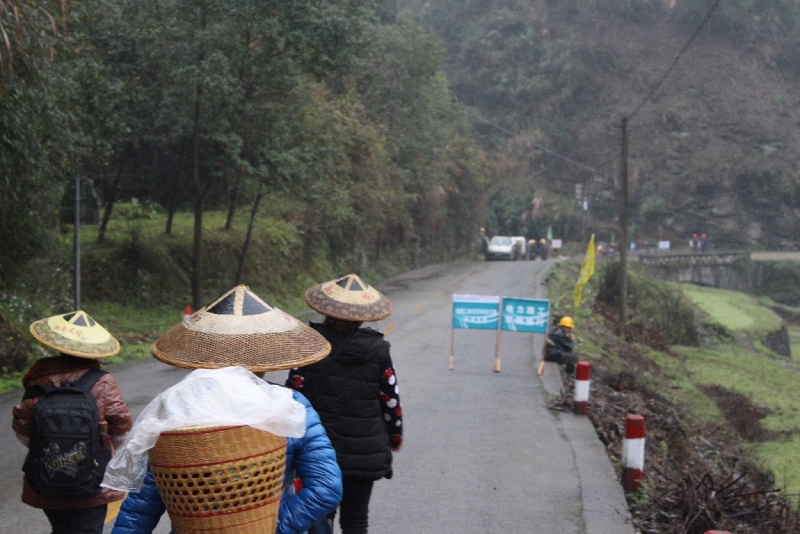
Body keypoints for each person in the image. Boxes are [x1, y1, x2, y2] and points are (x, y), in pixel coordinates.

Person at [109, 285, 343, 534]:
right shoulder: (290, 406)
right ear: (265, 357)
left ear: (208, 353)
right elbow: (326, 488)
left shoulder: (178, 408)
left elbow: (142, 505)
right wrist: (271, 528)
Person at [287, 274, 402, 534]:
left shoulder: (309, 345)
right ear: (361, 316)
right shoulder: (378, 350)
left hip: (314, 452)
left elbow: (292, 394)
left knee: (318, 517)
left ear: (326, 311)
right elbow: (391, 400)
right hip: (364, 452)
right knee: (356, 520)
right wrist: (394, 437)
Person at [12, 310, 132, 534]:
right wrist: (98, 447)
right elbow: (121, 426)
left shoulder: (38, 379)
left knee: (61, 528)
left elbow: (22, 425)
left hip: (47, 478)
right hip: (93, 480)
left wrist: (53, 448)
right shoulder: (103, 381)